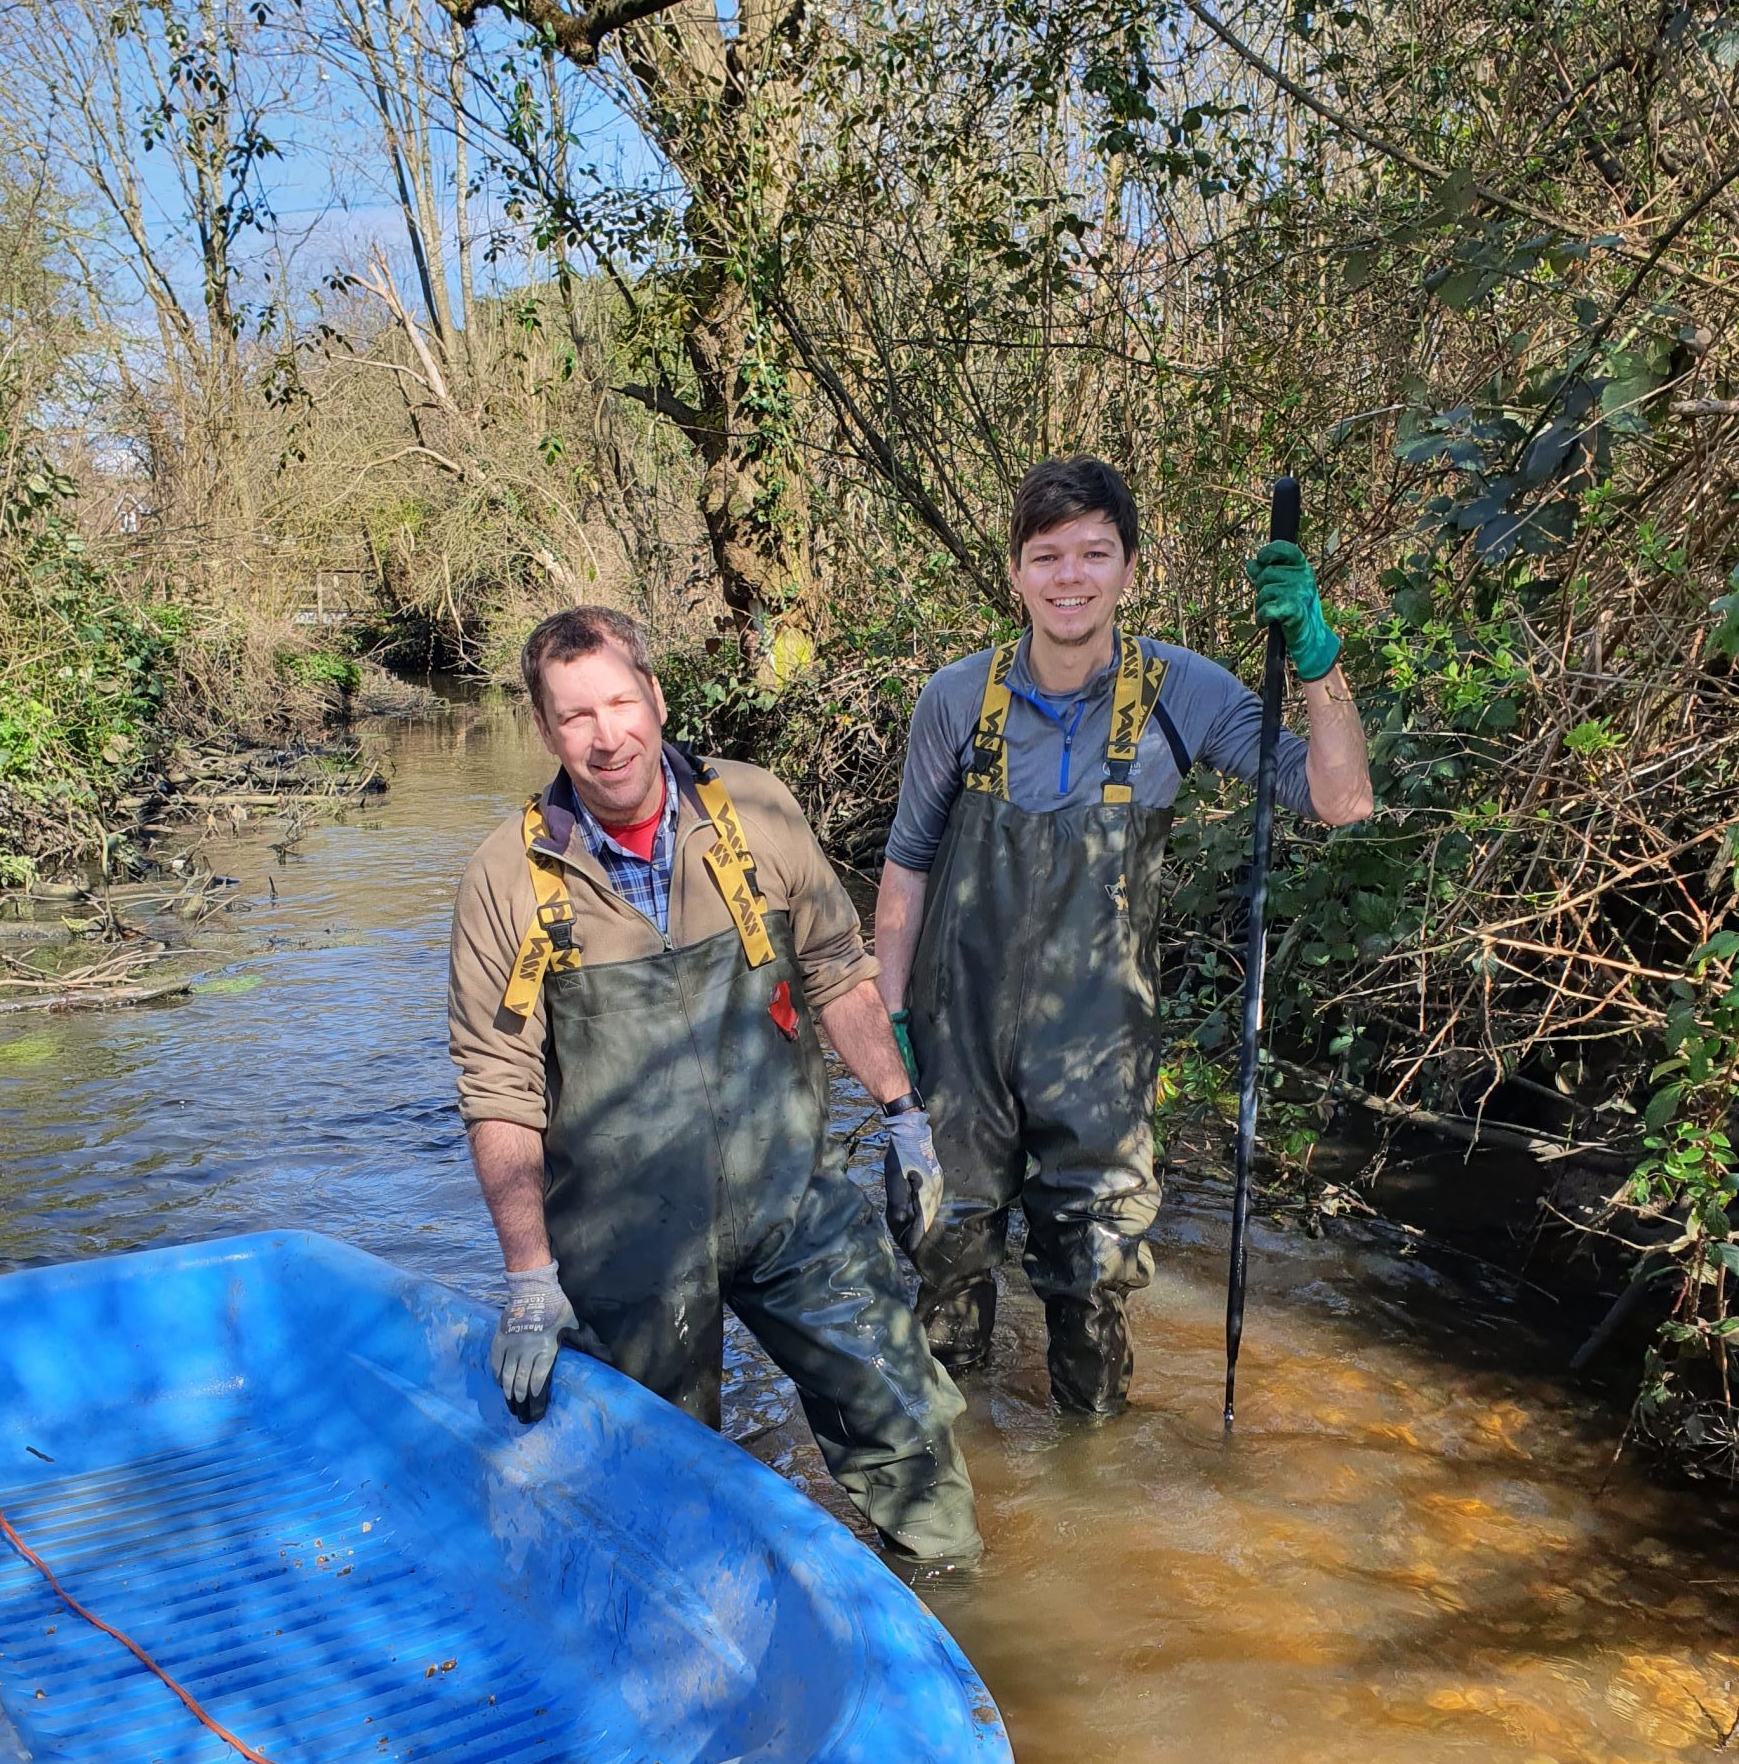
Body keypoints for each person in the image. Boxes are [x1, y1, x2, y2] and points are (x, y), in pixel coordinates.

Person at [447, 603, 982, 1568]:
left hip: (792, 1202)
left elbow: (838, 972)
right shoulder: (504, 879)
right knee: (639, 1486)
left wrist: (904, 1116)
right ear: (544, 729)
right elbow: (498, 1086)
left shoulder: (759, 810)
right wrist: (529, 1275)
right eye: (576, 716)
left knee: (906, 1419)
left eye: (620, 701)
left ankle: (961, 1631)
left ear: (655, 694)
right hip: (625, 1241)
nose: (607, 737)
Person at [873, 456, 1375, 1417]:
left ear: (1130, 569)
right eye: (1048, 556)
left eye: (1094, 554)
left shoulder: (1182, 693)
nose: (1071, 577)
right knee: (943, 1269)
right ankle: (956, 1482)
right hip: (958, 1047)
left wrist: (1317, 658)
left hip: (1100, 1061)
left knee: (1093, 1286)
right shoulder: (952, 700)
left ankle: (1086, 1480)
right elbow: (905, 869)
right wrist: (892, 1029)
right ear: (1016, 573)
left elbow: (1340, 798)